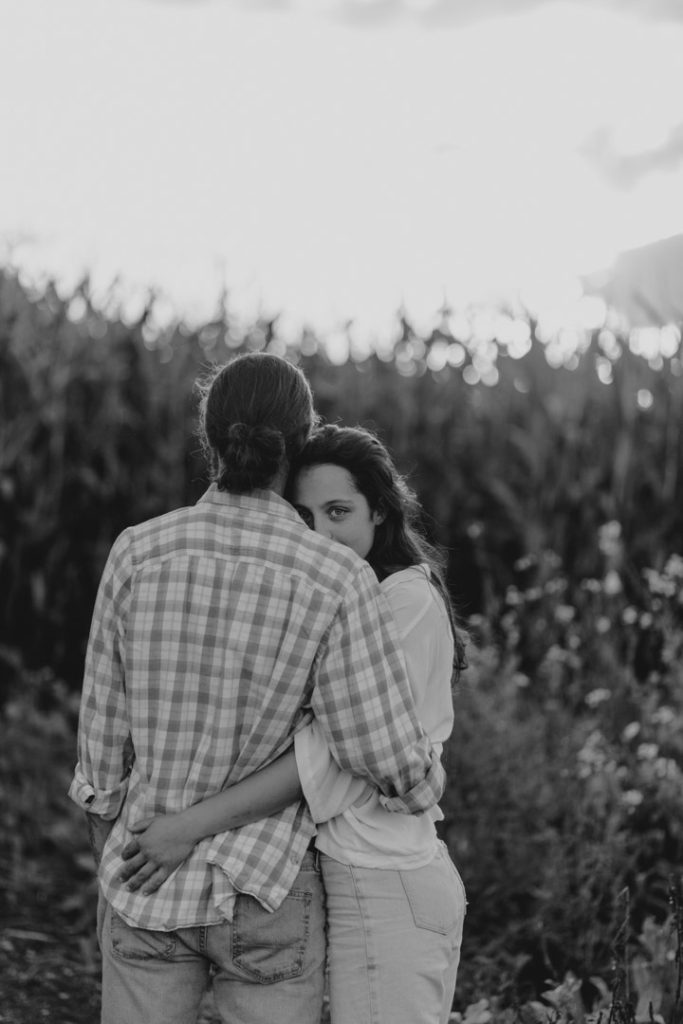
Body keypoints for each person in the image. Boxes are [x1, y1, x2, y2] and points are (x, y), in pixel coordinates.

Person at [68, 356, 447, 1024]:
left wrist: (113, 841)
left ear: (209, 440)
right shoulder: (335, 576)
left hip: (145, 872)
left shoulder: (137, 551)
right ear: (297, 444)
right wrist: (419, 785)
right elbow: (373, 747)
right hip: (267, 885)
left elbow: (102, 744)